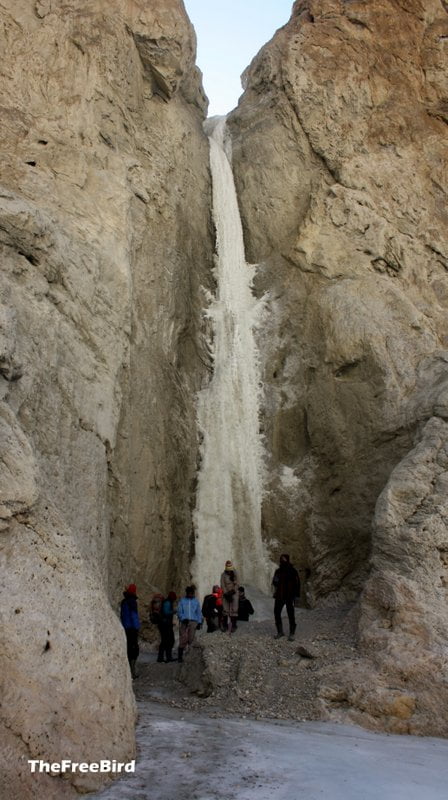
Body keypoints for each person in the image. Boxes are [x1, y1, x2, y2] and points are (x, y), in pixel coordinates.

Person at [272, 554, 300, 641]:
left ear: (288, 560)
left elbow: (298, 584)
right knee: (276, 613)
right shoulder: (278, 571)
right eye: (281, 559)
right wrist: (275, 582)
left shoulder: (293, 571)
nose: (282, 561)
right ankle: (280, 632)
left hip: (290, 596)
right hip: (280, 595)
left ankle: (292, 633)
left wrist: (297, 596)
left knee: (291, 614)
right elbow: (274, 582)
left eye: (284, 559)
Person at [176, 585, 202, 662]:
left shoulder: (196, 601)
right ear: (187, 593)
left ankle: (190, 656)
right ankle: (180, 657)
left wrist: (199, 622)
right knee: (183, 639)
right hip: (184, 622)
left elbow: (198, 613)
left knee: (191, 639)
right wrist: (183, 618)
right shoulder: (182, 601)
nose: (191, 595)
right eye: (189, 593)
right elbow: (179, 611)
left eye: (192, 593)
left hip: (193, 621)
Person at [120, 583, 140, 678]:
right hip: (132, 628)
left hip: (125, 627)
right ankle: (132, 671)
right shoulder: (132, 601)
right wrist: (137, 627)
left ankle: (127, 671)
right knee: (134, 649)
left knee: (128, 647)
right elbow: (134, 615)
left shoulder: (124, 602)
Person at [157, 591, 177, 663]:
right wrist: (173, 611)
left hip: (165, 624)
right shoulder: (168, 602)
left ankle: (163, 657)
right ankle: (165, 657)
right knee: (168, 641)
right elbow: (166, 612)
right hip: (165, 625)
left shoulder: (166, 602)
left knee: (167, 641)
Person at [220, 560, 239, 632]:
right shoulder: (223, 575)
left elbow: (237, 583)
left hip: (234, 592)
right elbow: (222, 585)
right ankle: (225, 625)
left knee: (234, 609)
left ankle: (234, 625)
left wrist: (233, 591)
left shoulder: (235, 573)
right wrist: (226, 593)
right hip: (226, 593)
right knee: (225, 609)